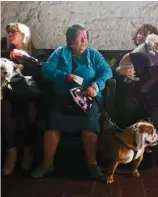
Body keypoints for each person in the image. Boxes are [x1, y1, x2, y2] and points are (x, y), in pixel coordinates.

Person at [31, 24, 112, 180]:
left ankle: (93, 165)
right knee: (52, 123)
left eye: (85, 38)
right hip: (63, 97)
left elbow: (107, 71)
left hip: (89, 97)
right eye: (79, 38)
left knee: (90, 123)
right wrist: (64, 76)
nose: (83, 42)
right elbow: (46, 69)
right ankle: (47, 164)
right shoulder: (60, 52)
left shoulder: (93, 54)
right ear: (70, 41)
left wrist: (96, 85)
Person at [113, 24, 158, 168]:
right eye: (140, 34)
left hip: (151, 96)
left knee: (153, 113)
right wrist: (119, 71)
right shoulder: (129, 56)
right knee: (125, 106)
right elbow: (114, 69)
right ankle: (125, 149)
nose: (142, 36)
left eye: (147, 34)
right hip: (132, 95)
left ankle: (147, 152)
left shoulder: (157, 54)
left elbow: (151, 65)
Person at [2, 23, 41, 176]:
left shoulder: (36, 54)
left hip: (30, 96)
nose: (10, 35)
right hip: (9, 95)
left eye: (14, 32)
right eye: (9, 32)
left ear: (24, 35)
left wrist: (24, 58)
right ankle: (10, 153)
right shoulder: (5, 54)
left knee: (30, 109)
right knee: (4, 107)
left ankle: (27, 151)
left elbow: (42, 70)